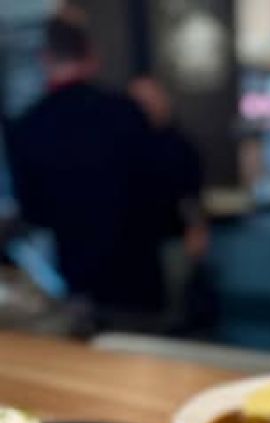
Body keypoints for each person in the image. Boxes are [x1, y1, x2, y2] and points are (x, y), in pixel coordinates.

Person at [6, 13, 203, 321]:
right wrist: (166, 124)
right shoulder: (126, 112)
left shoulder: (27, 127)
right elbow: (181, 175)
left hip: (76, 282)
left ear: (45, 59)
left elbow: (34, 211)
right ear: (92, 56)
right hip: (141, 276)